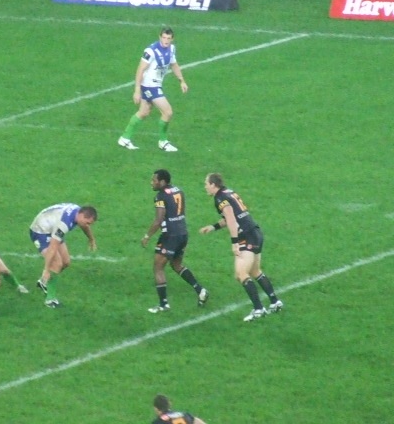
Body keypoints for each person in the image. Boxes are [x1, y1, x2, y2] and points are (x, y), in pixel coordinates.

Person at [199, 173, 283, 322]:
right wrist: (213, 227)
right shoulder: (228, 192)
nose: (205, 186)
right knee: (255, 271)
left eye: (206, 183)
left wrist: (235, 243)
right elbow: (233, 216)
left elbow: (231, 219)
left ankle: (258, 309)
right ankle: (275, 302)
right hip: (255, 232)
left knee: (241, 273)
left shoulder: (220, 198)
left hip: (246, 236)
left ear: (213, 185)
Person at [141, 169, 209, 313]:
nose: (152, 183)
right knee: (176, 265)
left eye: (154, 180)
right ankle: (200, 290)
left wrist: (147, 236)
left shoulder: (160, 196)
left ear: (162, 182)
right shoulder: (178, 190)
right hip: (182, 233)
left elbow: (158, 219)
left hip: (170, 236)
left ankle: (163, 304)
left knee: (158, 267)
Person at [118, 26, 188, 153]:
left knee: (144, 112)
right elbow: (140, 69)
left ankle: (124, 138)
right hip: (149, 85)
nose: (166, 40)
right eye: (164, 37)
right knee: (168, 112)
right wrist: (137, 90)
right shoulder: (151, 51)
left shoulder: (171, 49)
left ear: (172, 39)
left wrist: (181, 80)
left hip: (156, 84)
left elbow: (174, 65)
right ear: (159, 37)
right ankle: (163, 142)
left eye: (168, 38)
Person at [30, 203, 98, 308]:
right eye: (88, 223)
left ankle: (43, 281)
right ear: (82, 216)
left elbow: (84, 226)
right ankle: (50, 300)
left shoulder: (78, 212)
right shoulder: (64, 224)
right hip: (40, 231)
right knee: (57, 264)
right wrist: (46, 269)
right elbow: (52, 247)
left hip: (52, 227)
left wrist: (91, 239)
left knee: (66, 262)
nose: (88, 225)